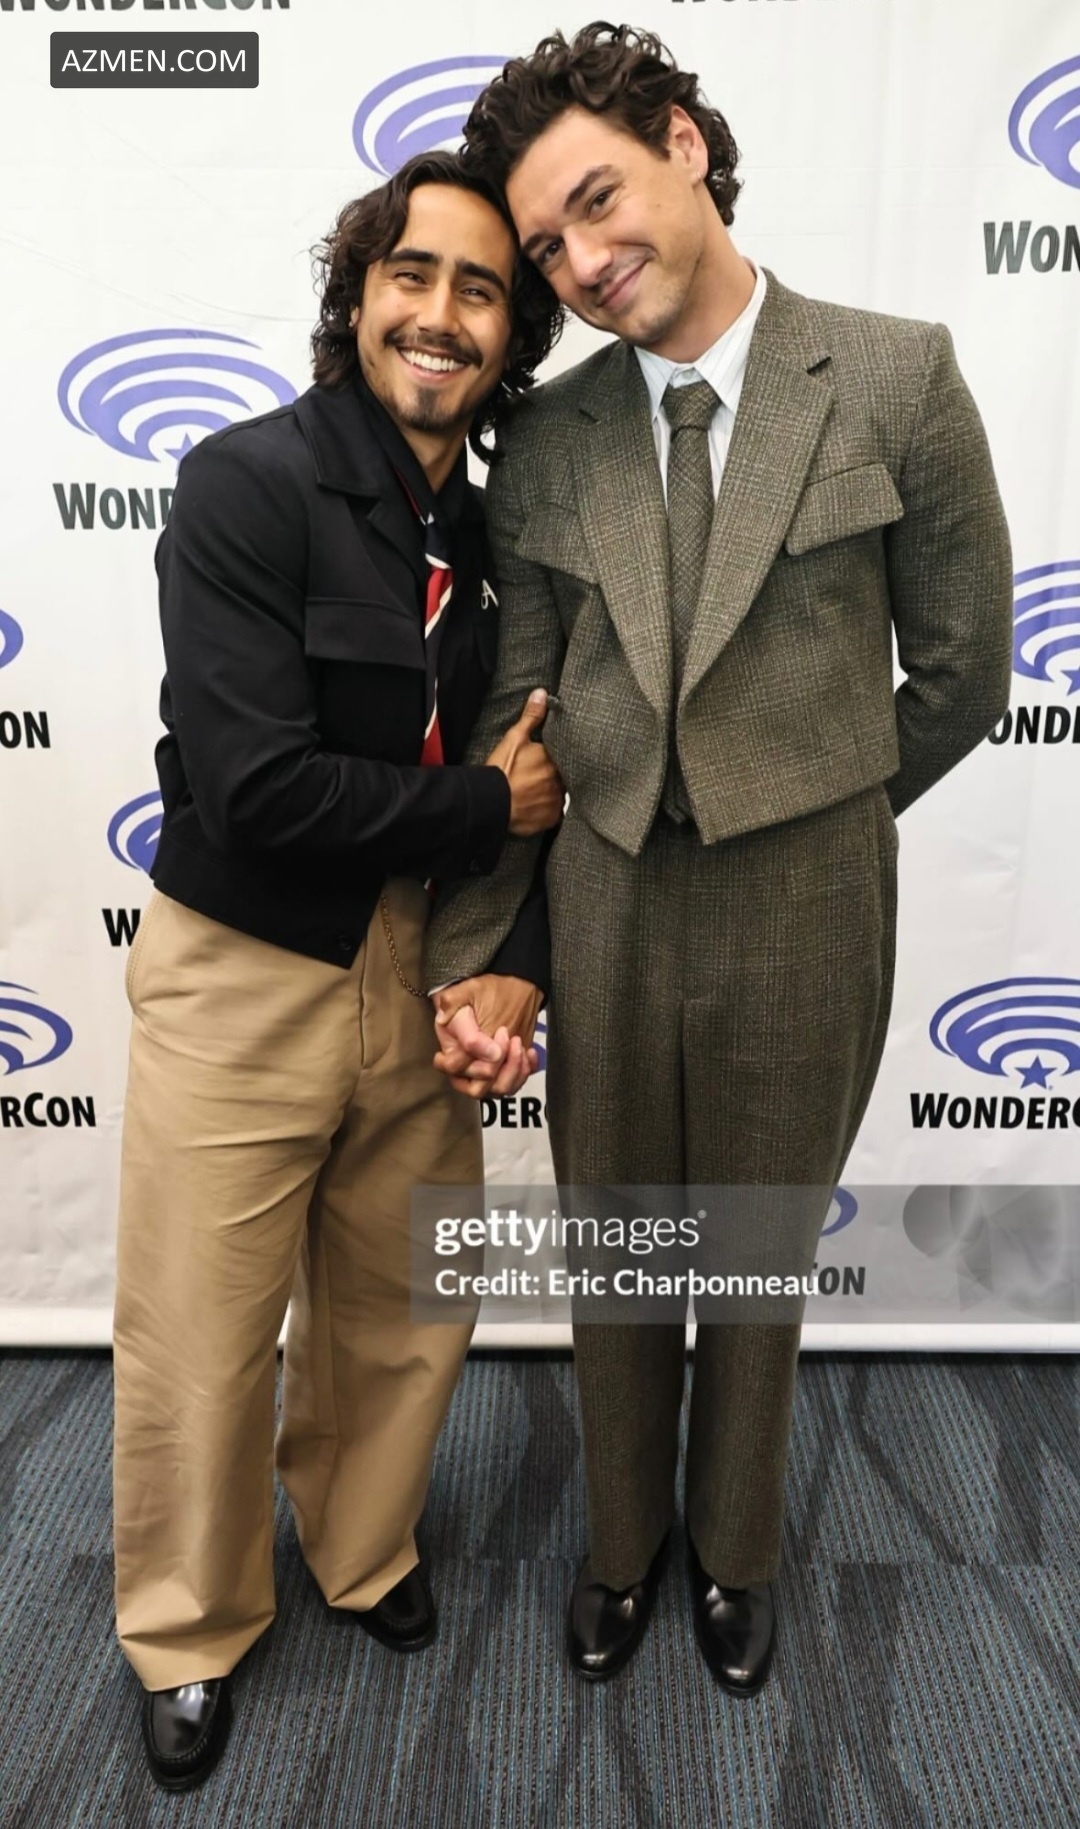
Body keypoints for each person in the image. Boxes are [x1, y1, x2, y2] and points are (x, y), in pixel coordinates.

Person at [426, 24, 1013, 1694]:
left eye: (597, 199)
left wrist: (818, 808)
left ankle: (735, 1550)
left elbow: (963, 670)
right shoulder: (549, 435)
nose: (580, 260)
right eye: (547, 246)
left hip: (806, 896)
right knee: (617, 1247)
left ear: (683, 144)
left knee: (755, 1249)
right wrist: (494, 951)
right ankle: (621, 1546)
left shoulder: (895, 374)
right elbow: (521, 718)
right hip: (604, 891)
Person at [112, 149, 564, 1792]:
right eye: (411, 275)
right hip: (247, 963)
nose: (441, 314)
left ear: (511, 338)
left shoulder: (500, 533)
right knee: (204, 1326)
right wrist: (477, 807)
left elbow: (550, 771)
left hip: (421, 958)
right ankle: (186, 1624)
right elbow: (251, 786)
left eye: (481, 289)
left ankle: (361, 1550)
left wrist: (512, 961)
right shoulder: (248, 481)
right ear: (357, 297)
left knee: (402, 1303)